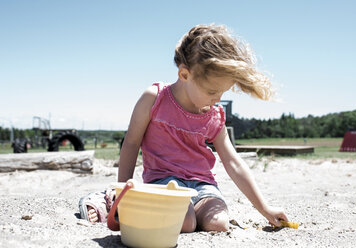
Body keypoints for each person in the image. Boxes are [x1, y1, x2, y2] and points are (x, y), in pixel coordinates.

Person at [80, 24, 288, 232]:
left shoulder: (214, 114)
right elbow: (131, 143)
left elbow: (233, 162)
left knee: (219, 224)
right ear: (185, 75)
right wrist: (123, 193)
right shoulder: (155, 99)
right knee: (185, 222)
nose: (218, 99)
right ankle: (108, 199)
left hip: (203, 186)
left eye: (223, 92)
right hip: (163, 182)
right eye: (212, 91)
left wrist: (264, 208)